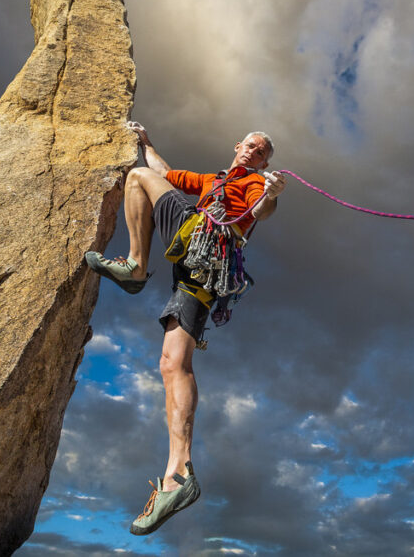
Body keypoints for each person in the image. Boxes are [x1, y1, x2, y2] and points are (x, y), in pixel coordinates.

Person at [84, 121, 286, 535]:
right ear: (237, 145)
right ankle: (179, 474)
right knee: (172, 363)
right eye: (250, 145)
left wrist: (271, 191)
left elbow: (262, 210)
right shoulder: (215, 179)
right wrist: (147, 142)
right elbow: (167, 172)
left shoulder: (251, 184)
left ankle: (137, 267)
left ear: (265, 162)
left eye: (261, 152)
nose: (253, 152)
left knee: (138, 178)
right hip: (197, 264)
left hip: (207, 245)